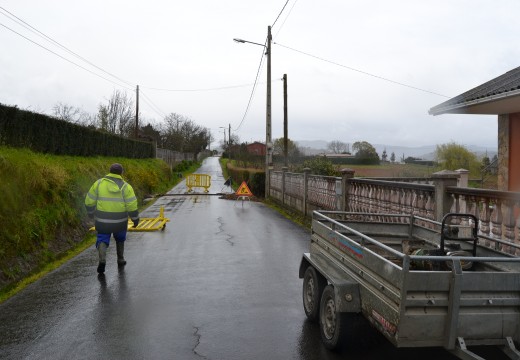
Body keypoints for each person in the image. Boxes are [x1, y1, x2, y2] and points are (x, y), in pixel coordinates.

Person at [85, 163, 139, 274]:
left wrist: (90, 213)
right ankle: (120, 259)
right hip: (120, 220)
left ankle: (102, 260)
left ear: (109, 171)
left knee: (102, 238)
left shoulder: (99, 183)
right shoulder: (126, 187)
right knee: (120, 238)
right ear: (121, 173)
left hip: (102, 219)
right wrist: (135, 219)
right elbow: (132, 205)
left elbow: (89, 200)